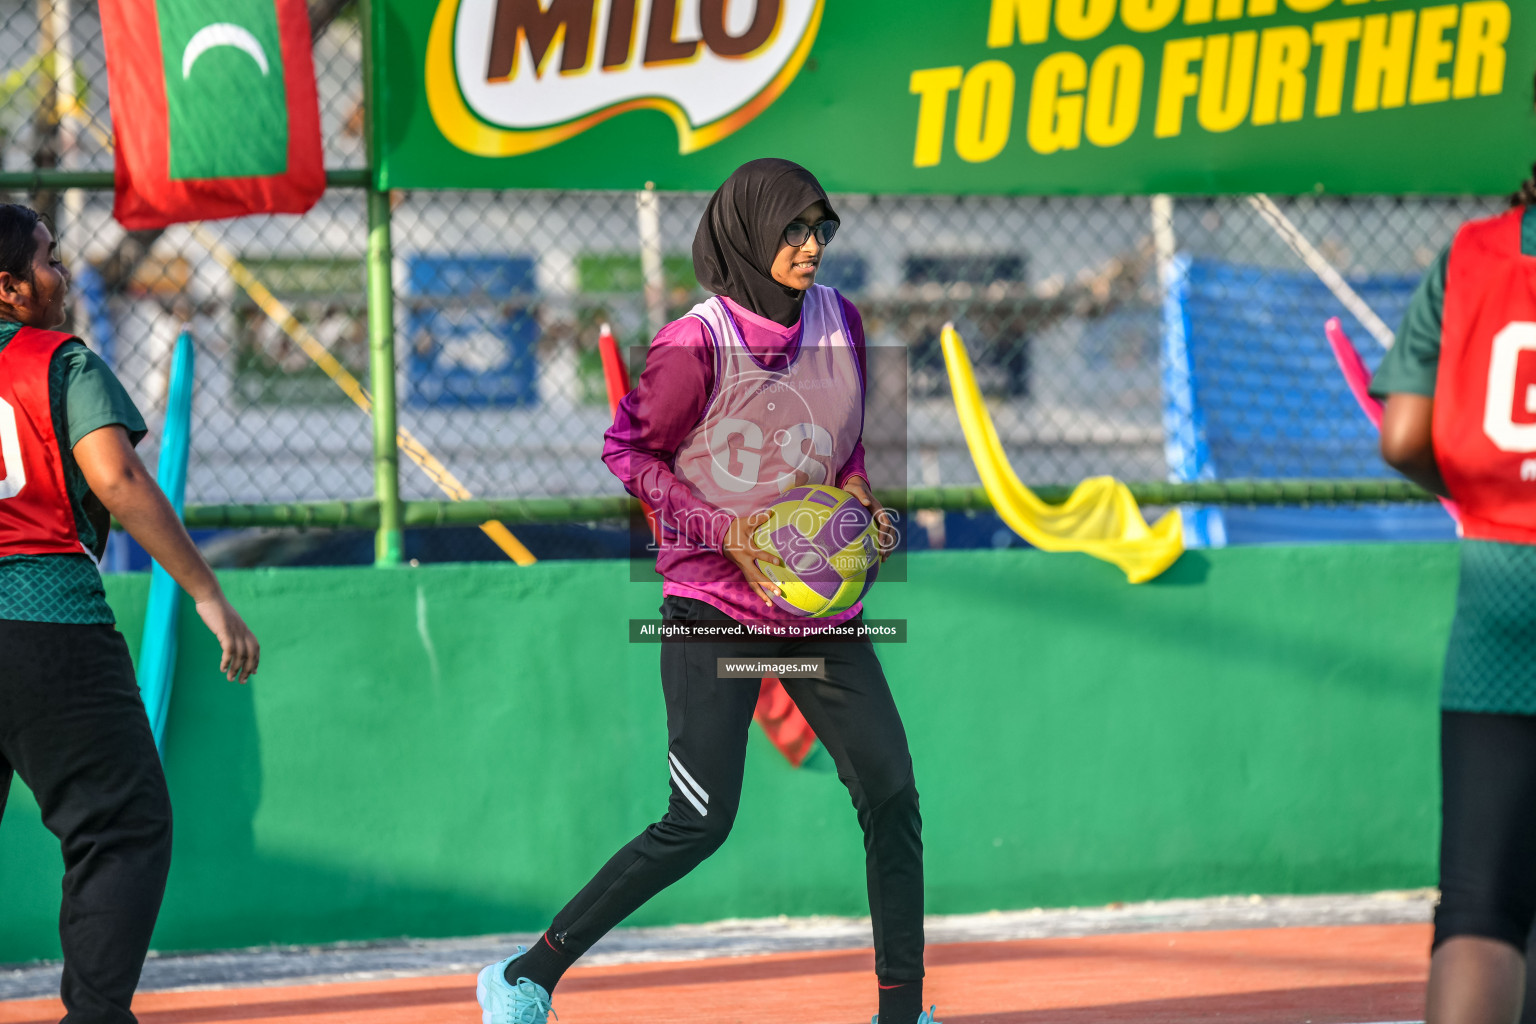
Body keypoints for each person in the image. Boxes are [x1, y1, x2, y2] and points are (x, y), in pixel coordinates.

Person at [476, 159, 936, 1024]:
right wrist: (727, 533)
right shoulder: (697, 343)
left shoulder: (845, 324)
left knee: (891, 791)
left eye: (821, 230)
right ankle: (527, 975)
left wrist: (861, 500)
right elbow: (627, 451)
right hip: (713, 608)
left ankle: (903, 1012)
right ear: (750, 235)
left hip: (813, 612)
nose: (810, 247)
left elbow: (845, 447)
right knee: (700, 818)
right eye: (793, 230)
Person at [0, 203, 260, 1024]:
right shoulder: (57, 362)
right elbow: (115, 478)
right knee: (122, 825)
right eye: (45, 260)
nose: (60, 272)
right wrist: (207, 592)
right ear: (6, 287)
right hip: (44, 617)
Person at [1371, 137, 1536, 1024]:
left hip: (1500, 588)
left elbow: (1402, 438)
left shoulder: (1472, 253)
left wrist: (1475, 490)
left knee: (1482, 907)